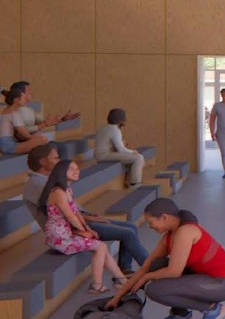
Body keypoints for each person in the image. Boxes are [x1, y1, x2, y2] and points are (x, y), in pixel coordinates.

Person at [110, 199, 225, 319]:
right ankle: (181, 315)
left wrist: (147, 277)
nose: (150, 226)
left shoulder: (185, 231)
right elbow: (145, 268)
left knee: (154, 290)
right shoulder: (169, 237)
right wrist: (117, 298)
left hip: (224, 284)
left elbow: (174, 271)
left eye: (151, 222)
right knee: (156, 264)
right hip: (203, 278)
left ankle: (213, 309)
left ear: (164, 217)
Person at [22, 143, 149, 274]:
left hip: (80, 220)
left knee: (131, 227)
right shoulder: (38, 185)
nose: (59, 161)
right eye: (55, 158)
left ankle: (125, 268)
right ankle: (150, 267)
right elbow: (63, 215)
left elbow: (73, 209)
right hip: (68, 229)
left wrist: (91, 217)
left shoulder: (49, 180)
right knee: (127, 233)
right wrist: (87, 224)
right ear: (43, 161)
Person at [38, 158, 127, 295]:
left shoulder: (67, 190)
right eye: (71, 169)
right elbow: (70, 216)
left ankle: (121, 280)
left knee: (102, 247)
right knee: (101, 247)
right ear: (61, 172)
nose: (76, 171)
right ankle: (97, 285)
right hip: (59, 238)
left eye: (77, 168)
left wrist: (88, 229)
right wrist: (82, 231)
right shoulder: (58, 192)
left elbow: (76, 212)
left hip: (66, 233)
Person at [95, 108, 147, 188]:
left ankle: (128, 180)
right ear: (120, 120)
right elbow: (121, 149)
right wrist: (133, 152)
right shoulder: (114, 129)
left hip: (100, 155)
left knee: (133, 159)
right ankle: (135, 184)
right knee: (138, 158)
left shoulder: (103, 127)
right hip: (105, 155)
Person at [0, 86, 52, 155]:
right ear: (16, 100)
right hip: (7, 145)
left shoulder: (8, 110)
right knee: (43, 140)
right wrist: (33, 139)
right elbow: (23, 132)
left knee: (39, 141)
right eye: (23, 98)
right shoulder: (14, 113)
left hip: (3, 143)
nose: (26, 100)